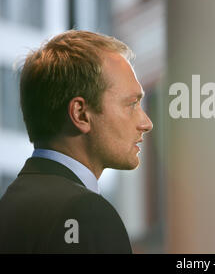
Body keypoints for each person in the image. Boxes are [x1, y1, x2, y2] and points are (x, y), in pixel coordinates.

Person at [0, 30, 153, 253]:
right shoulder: (87, 213)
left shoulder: (9, 206)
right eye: (131, 104)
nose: (146, 123)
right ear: (81, 114)